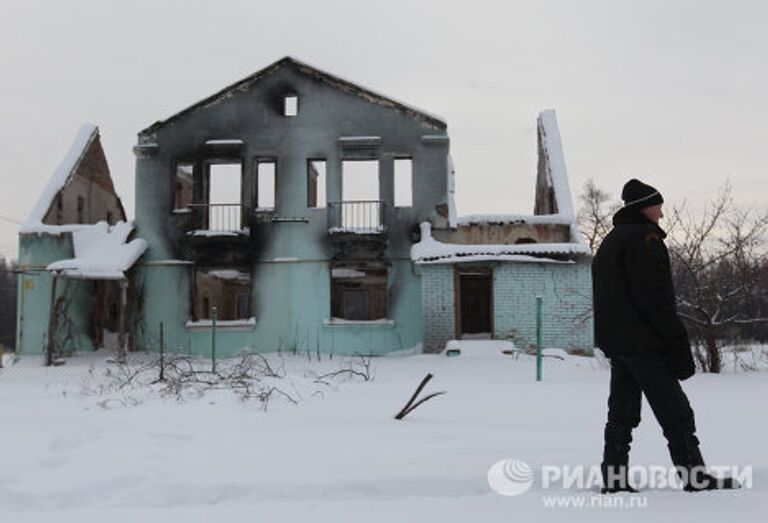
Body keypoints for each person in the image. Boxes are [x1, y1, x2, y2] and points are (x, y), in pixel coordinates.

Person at [592, 178, 740, 493]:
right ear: (644, 207)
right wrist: (675, 342)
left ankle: (613, 481)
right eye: (658, 206)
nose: (661, 214)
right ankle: (695, 479)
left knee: (622, 415)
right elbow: (654, 299)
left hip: (620, 347)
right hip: (645, 346)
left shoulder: (610, 242)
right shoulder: (644, 240)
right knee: (677, 414)